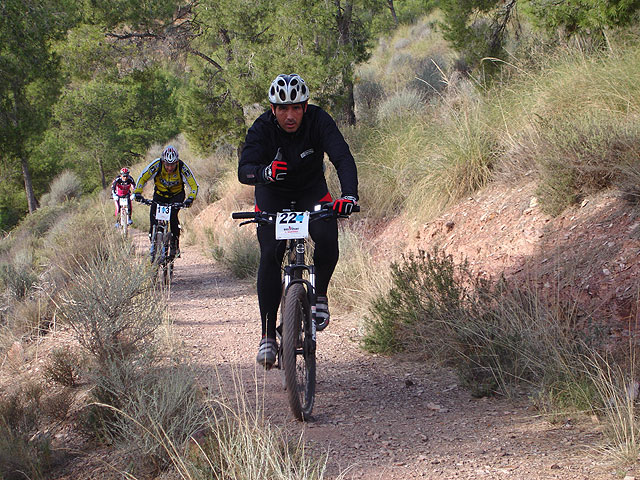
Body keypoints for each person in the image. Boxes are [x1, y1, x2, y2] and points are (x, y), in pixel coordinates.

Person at [238, 73, 359, 368]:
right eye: (282, 109)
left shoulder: (319, 120)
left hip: (310, 191)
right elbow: (244, 170)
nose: (289, 116)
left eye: (296, 108)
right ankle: (268, 335)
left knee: (327, 234)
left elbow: (342, 157)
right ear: (272, 109)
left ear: (305, 107)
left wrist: (349, 195)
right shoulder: (262, 128)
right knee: (271, 253)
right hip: (272, 194)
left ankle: (320, 295)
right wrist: (265, 172)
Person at [133, 145, 198, 258]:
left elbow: (194, 185)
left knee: (173, 217)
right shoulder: (156, 165)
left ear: (176, 162)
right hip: (160, 195)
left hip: (176, 195)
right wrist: (138, 192)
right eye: (167, 164)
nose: (169, 167)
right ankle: (153, 242)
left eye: (172, 164)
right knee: (153, 219)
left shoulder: (182, 167)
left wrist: (190, 199)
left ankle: (174, 245)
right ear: (163, 162)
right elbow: (143, 178)